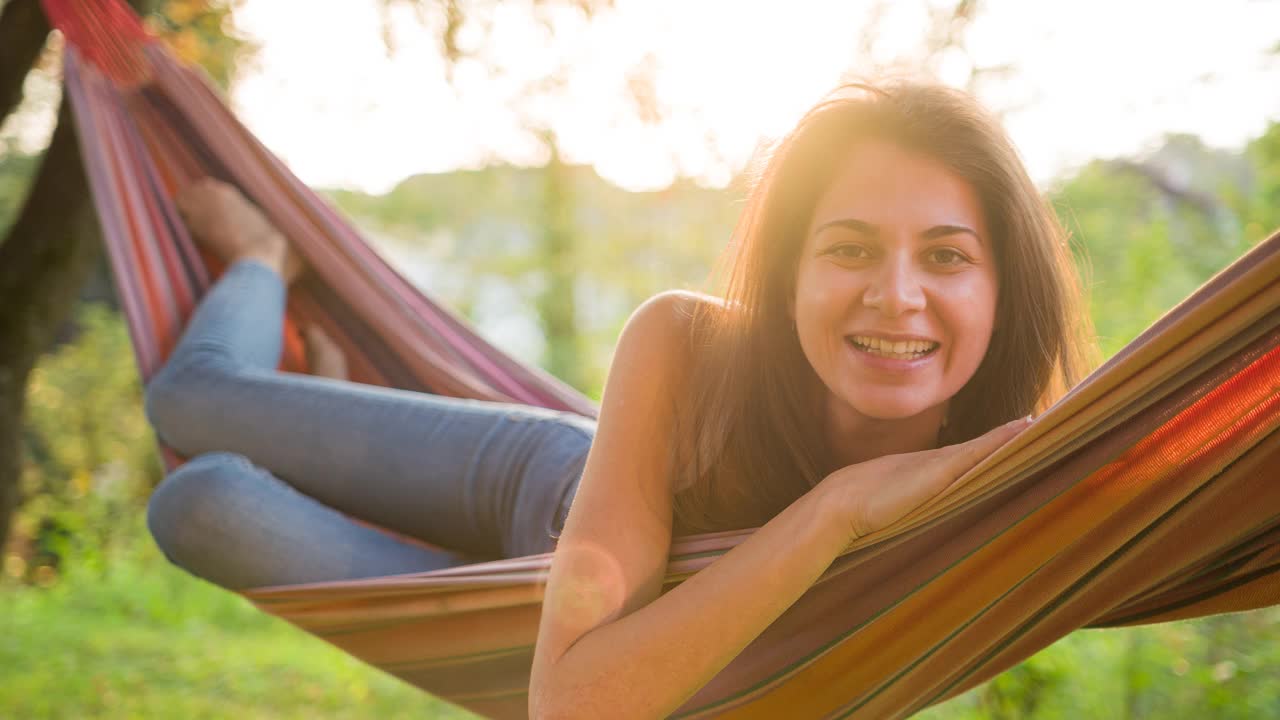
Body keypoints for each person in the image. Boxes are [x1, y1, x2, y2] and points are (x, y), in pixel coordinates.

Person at [143, 81, 1093, 717]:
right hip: (539, 489)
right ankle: (269, 262)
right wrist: (836, 508)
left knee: (198, 503)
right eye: (847, 248)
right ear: (790, 273)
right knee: (188, 401)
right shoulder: (686, 344)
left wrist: (835, 519)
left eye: (946, 256)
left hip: (557, 641)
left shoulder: (1011, 477)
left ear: (1003, 290)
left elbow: (577, 706)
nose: (895, 294)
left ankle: (369, 474)